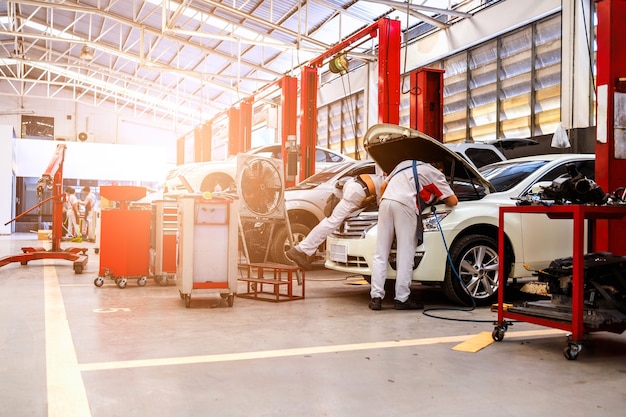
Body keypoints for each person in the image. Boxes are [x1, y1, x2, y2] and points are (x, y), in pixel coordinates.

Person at [369, 160, 458, 311]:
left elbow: (383, 186)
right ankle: (402, 298)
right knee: (406, 253)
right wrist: (436, 197)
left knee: (381, 252)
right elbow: (453, 201)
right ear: (441, 169)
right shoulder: (435, 174)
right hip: (405, 205)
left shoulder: (404, 164)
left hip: (385, 203)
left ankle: (376, 297)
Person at [286, 172, 385, 270]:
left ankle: (302, 249)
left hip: (351, 184)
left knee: (335, 220)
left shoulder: (384, 178)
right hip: (357, 191)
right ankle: (300, 250)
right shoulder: (392, 184)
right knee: (332, 222)